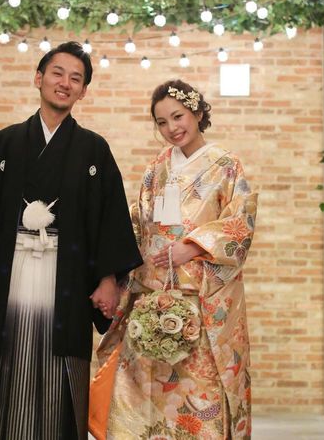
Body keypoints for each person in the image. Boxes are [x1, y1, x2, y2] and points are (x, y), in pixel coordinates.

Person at [0, 41, 142, 440]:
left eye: (76, 78)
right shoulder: (3, 143)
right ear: (38, 78)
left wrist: (108, 279)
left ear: (83, 91)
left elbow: (110, 220)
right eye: (57, 73)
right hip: (7, 275)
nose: (65, 83)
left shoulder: (94, 151)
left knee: (60, 383)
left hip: (66, 279)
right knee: (1, 375)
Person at [99, 79, 258, 440]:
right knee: (144, 393)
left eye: (178, 116)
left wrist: (195, 246)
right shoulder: (156, 169)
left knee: (198, 392)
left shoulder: (225, 165)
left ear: (198, 113)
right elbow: (137, 224)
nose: (171, 128)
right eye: (162, 122)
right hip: (152, 299)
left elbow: (241, 222)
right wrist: (117, 276)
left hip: (201, 299)